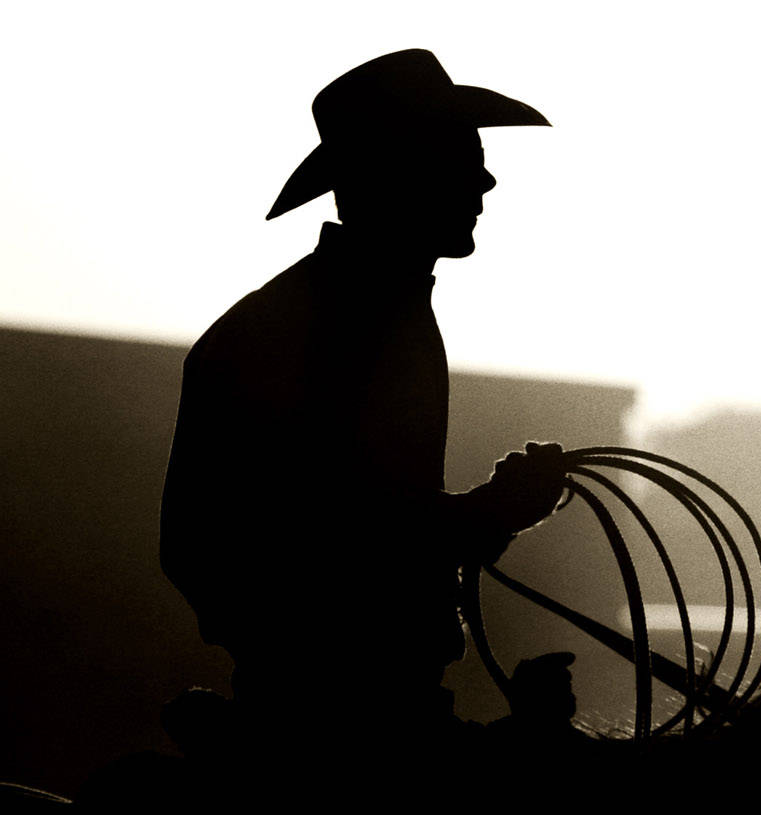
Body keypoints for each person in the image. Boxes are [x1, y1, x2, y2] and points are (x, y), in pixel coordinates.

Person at [160, 50, 568, 739]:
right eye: (461, 155)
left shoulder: (354, 310)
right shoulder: (329, 326)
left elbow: (365, 524)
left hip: (352, 704)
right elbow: (339, 536)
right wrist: (489, 513)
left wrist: (487, 514)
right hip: (341, 722)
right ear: (403, 172)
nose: (486, 178)